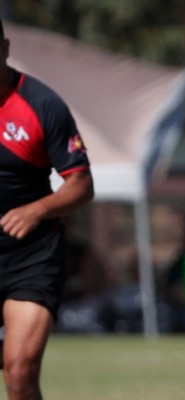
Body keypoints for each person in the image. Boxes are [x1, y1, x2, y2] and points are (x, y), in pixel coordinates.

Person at [0, 17, 94, 400]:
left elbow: (82, 185)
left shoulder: (40, 104)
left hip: (31, 256)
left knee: (20, 371)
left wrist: (37, 210)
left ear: (4, 49)